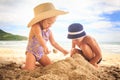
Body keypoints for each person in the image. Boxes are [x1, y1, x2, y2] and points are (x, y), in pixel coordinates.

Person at [22, 2, 69, 70]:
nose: (50, 25)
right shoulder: (35, 26)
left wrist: (64, 51)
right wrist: (44, 46)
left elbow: (54, 43)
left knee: (50, 66)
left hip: (41, 54)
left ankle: (34, 63)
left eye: (52, 23)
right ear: (41, 20)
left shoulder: (49, 32)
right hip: (31, 52)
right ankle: (24, 65)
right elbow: (39, 36)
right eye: (48, 23)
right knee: (28, 70)